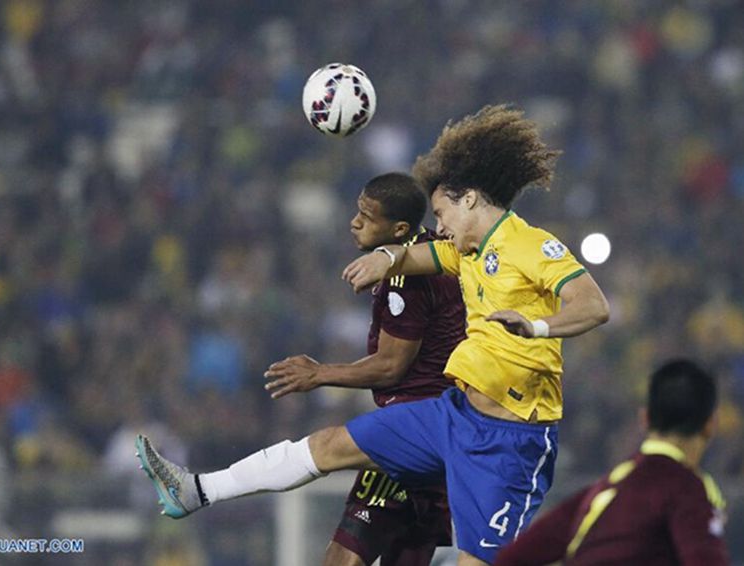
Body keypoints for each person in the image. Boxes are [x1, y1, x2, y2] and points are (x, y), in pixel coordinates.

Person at [135, 104, 610, 566]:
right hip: (453, 417)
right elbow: (416, 255)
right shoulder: (464, 250)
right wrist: (384, 259)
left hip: (512, 441)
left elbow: (593, 305)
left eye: (442, 213)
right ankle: (197, 491)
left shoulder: (530, 244)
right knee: (328, 445)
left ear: (469, 200)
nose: (438, 226)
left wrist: (537, 327)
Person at [264, 172, 466, 566]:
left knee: (342, 556)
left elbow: (391, 367)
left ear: (399, 228)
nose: (354, 222)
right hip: (444, 435)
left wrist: (319, 373)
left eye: (367, 216)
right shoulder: (435, 253)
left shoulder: (406, 276)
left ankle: (204, 489)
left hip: (409, 432)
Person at [494, 359, 730, 566]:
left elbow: (513, 558)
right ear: (711, 424)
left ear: (644, 419)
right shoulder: (687, 489)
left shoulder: (604, 490)